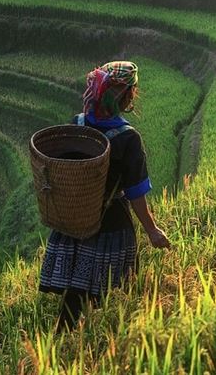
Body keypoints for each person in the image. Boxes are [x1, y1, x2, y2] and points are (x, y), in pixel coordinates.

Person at [38, 60, 171, 331]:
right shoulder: (127, 138)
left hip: (74, 219)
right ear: (126, 96)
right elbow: (136, 194)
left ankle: (69, 337)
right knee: (117, 284)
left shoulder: (77, 124)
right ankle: (109, 336)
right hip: (109, 223)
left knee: (76, 288)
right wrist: (153, 230)